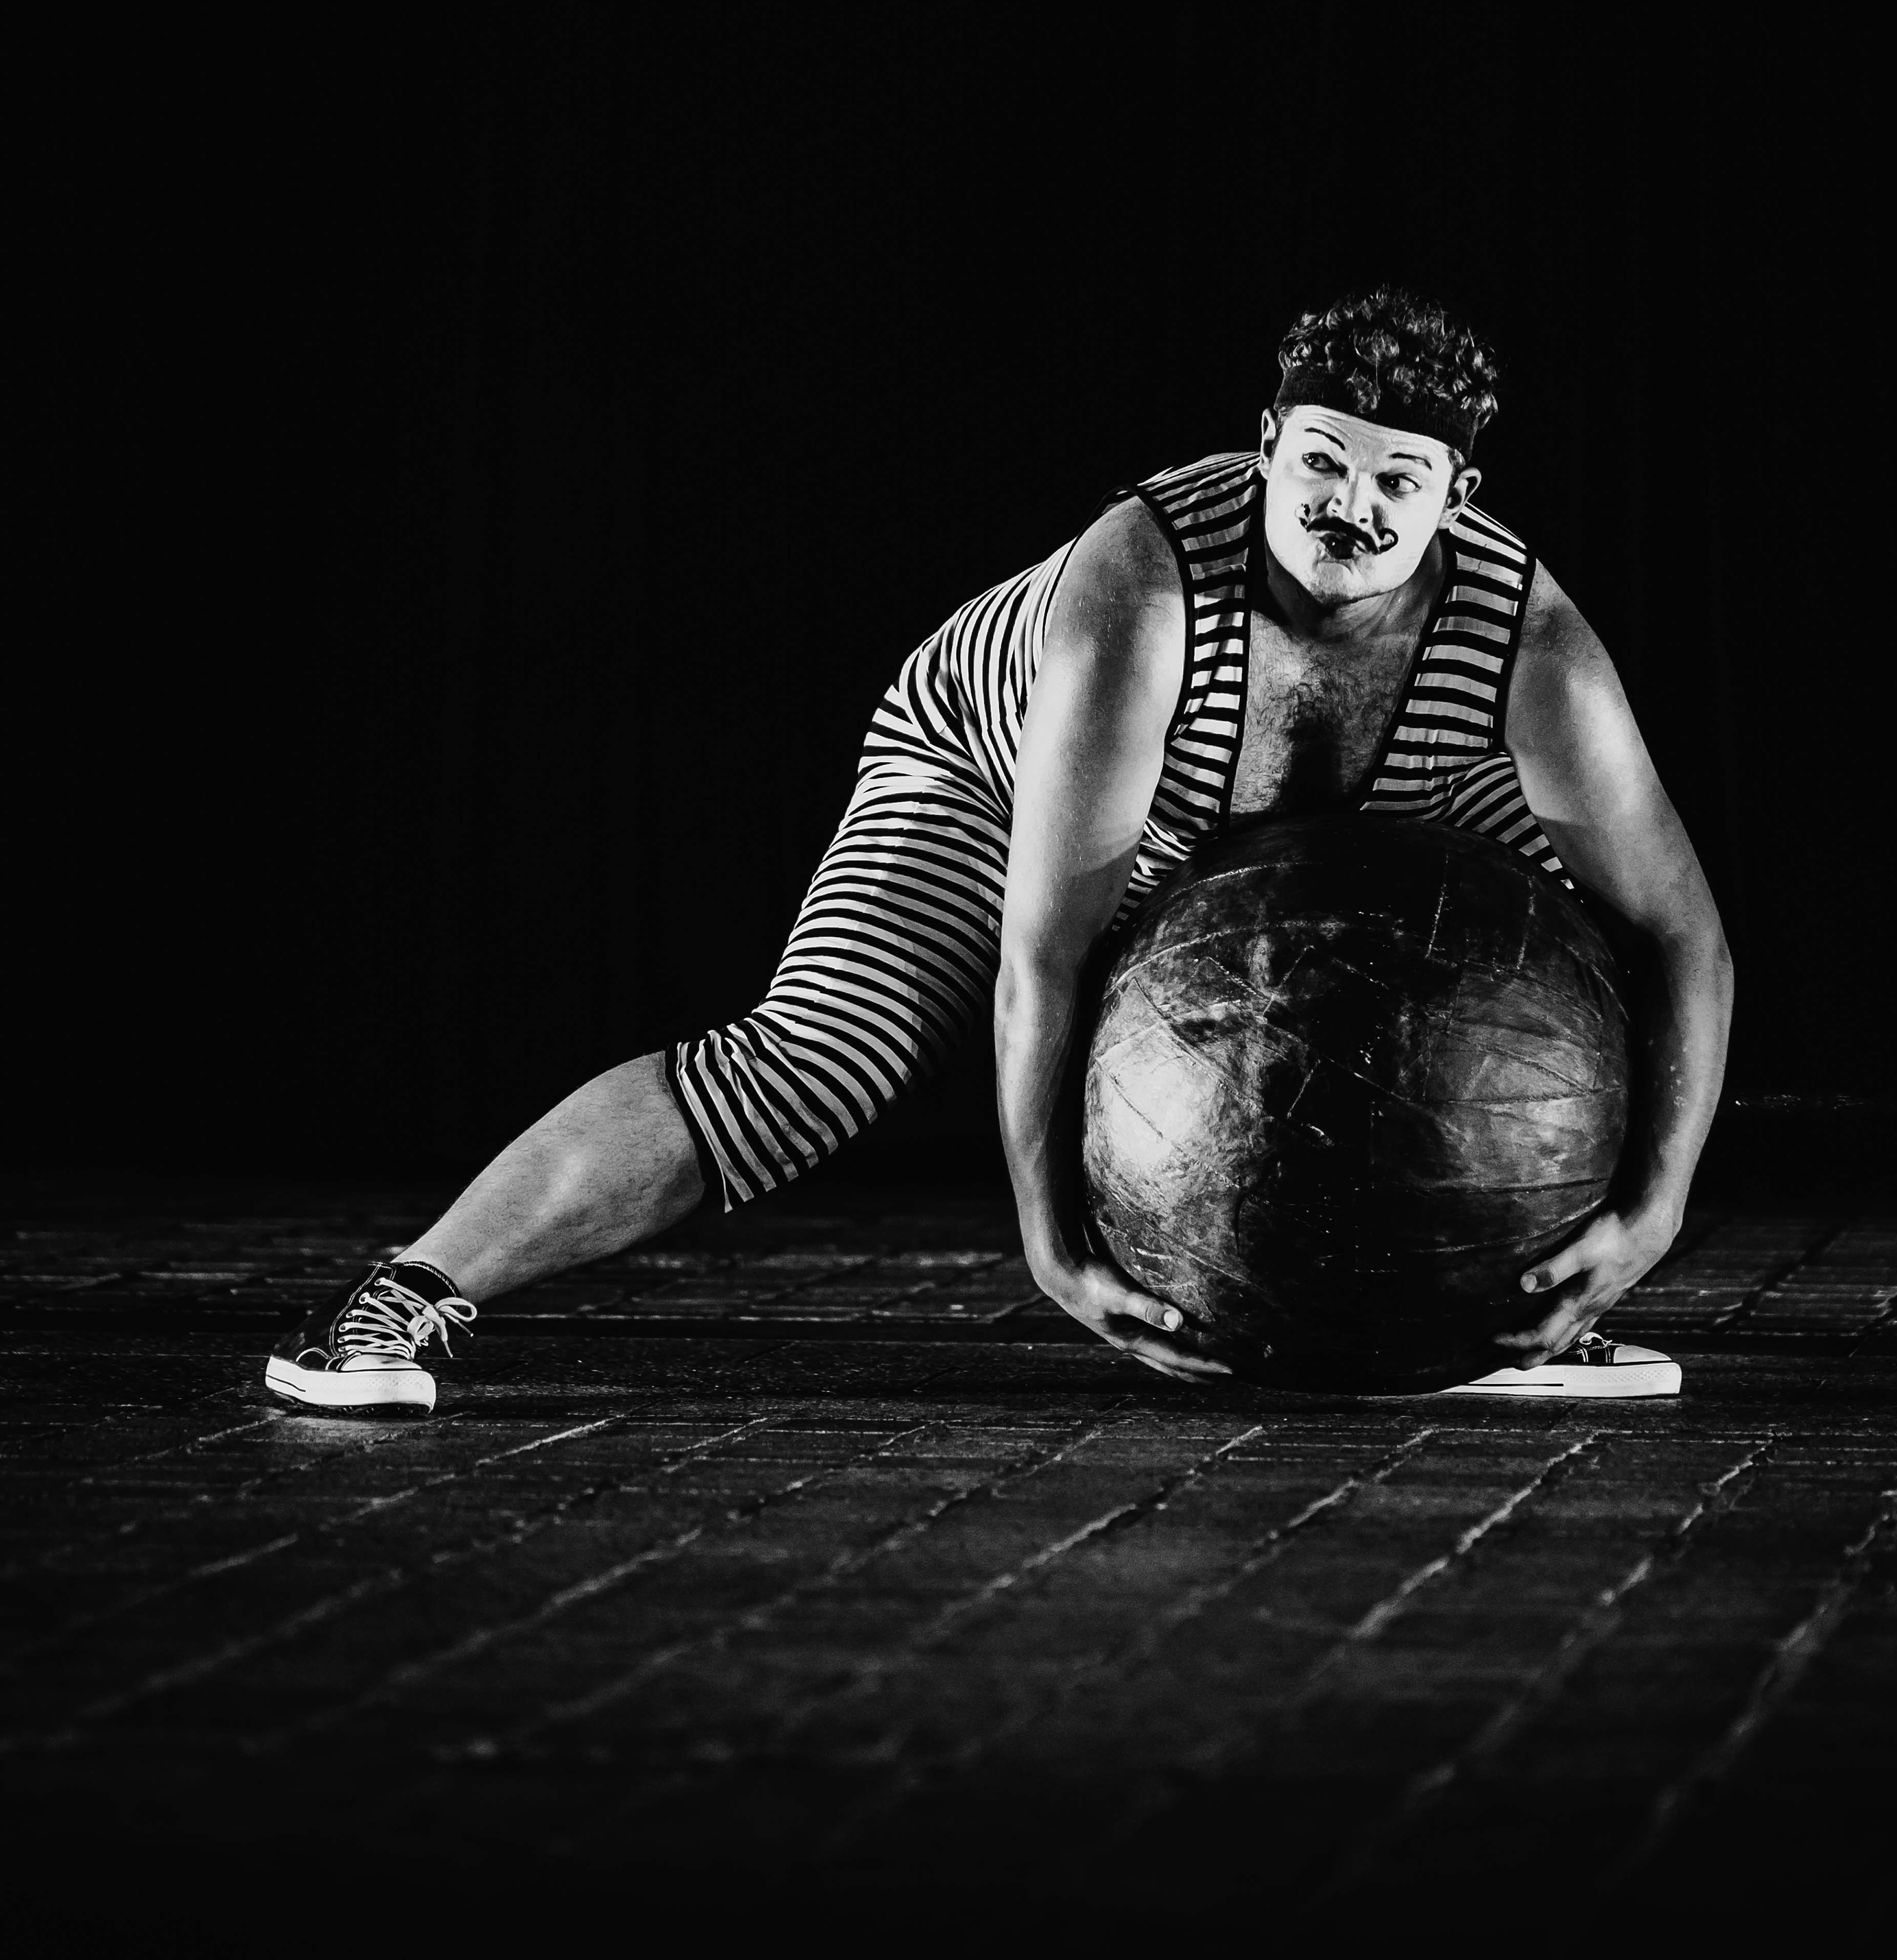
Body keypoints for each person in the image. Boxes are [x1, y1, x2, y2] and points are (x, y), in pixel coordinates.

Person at [266, 288, 1733, 1413]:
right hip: (991, 766)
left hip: (1345, 809)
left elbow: (1686, 937)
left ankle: (1525, 1303)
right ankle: (405, 1296)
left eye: (1397, 484)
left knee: (1567, 959)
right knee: (817, 1064)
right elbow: (1051, 942)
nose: (1349, 507)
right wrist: (1054, 1239)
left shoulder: (1529, 645)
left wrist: (1650, 1214)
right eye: (1321, 463)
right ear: (1269, 444)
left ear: (1455, 500)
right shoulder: (1142, 587)